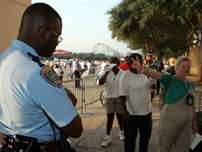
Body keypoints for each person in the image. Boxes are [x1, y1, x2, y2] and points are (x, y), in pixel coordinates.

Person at [0, 3, 83, 152]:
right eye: (57, 36)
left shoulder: (3, 59)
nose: (57, 43)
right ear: (44, 32)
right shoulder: (36, 72)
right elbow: (75, 129)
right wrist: (64, 96)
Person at [143, 56, 198, 152]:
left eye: (188, 67)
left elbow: (192, 105)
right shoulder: (170, 79)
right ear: (177, 67)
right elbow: (156, 74)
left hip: (186, 124)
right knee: (164, 147)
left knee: (183, 149)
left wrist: (194, 123)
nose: (186, 69)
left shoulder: (190, 84)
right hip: (170, 122)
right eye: (183, 66)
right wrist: (142, 70)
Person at [119, 53, 153, 152]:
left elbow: (150, 85)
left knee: (145, 140)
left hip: (147, 113)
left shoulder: (144, 73)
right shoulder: (125, 76)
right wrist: (125, 112)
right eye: (136, 61)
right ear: (130, 63)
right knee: (130, 142)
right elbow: (122, 96)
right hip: (132, 114)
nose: (139, 63)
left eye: (140, 61)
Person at [98, 57, 125, 147]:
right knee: (110, 118)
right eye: (111, 63)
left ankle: (121, 132)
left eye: (114, 62)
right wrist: (106, 72)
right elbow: (100, 82)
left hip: (119, 98)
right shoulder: (106, 72)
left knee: (120, 117)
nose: (113, 64)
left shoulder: (122, 73)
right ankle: (107, 136)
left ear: (118, 63)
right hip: (109, 97)